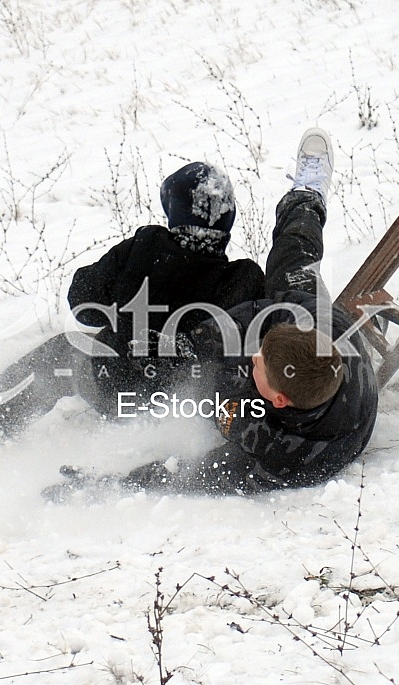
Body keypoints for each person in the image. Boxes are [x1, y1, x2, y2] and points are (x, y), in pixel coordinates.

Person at [109, 128, 380, 495]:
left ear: (277, 400)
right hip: (326, 331)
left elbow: (201, 474)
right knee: (293, 258)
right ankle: (308, 192)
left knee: (215, 390)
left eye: (260, 364)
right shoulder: (313, 328)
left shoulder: (284, 454)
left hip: (279, 409)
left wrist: (110, 483)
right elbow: (263, 313)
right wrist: (201, 338)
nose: (255, 356)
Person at [0, 162, 265, 439]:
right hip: (192, 407)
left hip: (115, 388)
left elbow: (83, 305)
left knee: (66, 347)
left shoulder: (144, 246)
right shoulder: (244, 277)